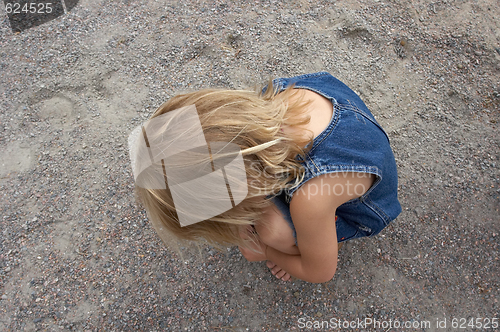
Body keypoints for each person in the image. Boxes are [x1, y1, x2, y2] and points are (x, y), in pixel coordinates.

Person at [130, 72, 401, 283]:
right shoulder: (276, 99)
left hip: (362, 208)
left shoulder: (311, 199)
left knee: (274, 231)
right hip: (347, 139)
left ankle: (288, 234)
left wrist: (268, 252)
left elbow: (320, 271)